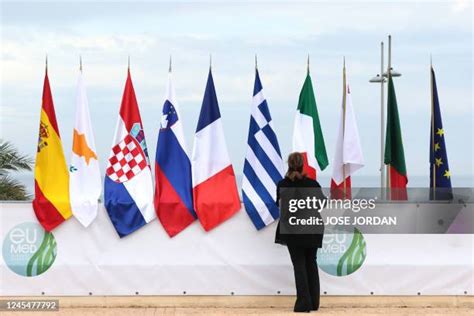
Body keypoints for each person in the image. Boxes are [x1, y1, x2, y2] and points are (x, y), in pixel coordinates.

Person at [275, 152, 326, 313]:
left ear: (289, 165)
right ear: (303, 165)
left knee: (299, 264)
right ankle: (313, 302)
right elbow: (322, 204)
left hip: (292, 229)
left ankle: (303, 303)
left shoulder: (282, 184)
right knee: (311, 262)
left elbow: (280, 206)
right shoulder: (313, 184)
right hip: (312, 228)